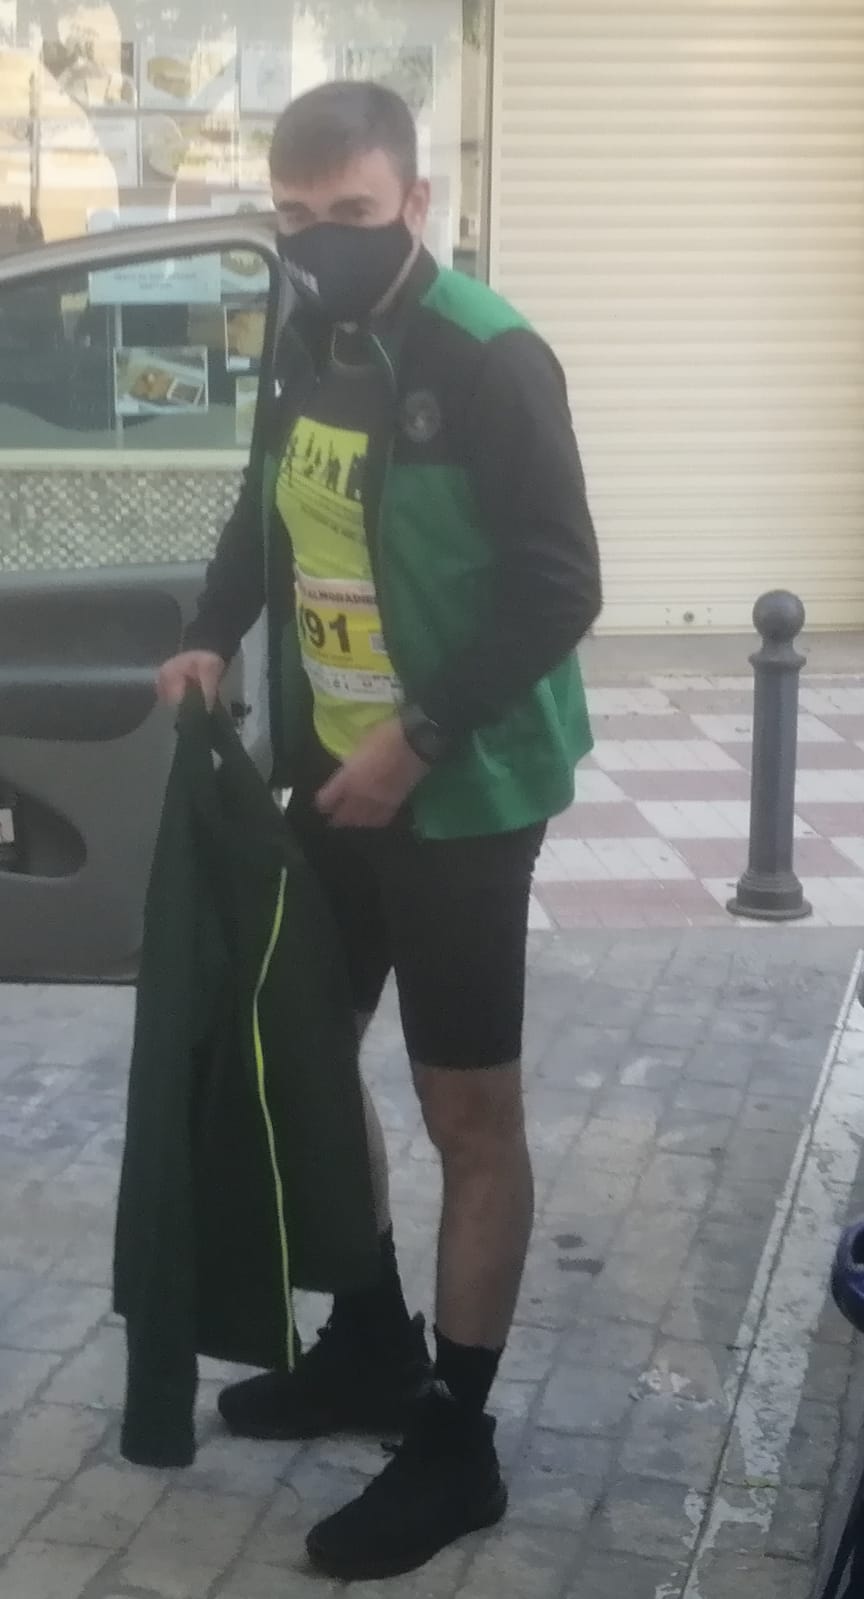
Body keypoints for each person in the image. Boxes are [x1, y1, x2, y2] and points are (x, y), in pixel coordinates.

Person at [157, 79, 602, 1583]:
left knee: (468, 1114)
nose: (320, 241)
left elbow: (562, 583)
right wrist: (209, 631)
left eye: (349, 213)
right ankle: (368, 1339)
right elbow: (261, 511)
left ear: (415, 202)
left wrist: (419, 740)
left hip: (462, 792)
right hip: (334, 778)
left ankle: (457, 1438)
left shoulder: (490, 354)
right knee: (301, 1049)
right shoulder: (306, 333)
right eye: (294, 216)